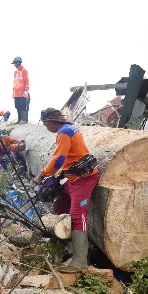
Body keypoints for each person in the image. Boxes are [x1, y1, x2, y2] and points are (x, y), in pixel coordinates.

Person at [33, 108, 99, 273]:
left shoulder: (63, 133)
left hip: (84, 180)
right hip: (73, 178)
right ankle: (66, 244)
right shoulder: (70, 129)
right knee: (60, 203)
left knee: (78, 214)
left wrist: (42, 175)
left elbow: (58, 159)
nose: (46, 127)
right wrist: (62, 173)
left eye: (45, 124)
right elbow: (74, 155)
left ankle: (80, 260)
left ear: (51, 121)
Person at [11, 56, 29, 124]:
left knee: (23, 106)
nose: (14, 65)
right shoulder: (15, 72)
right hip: (16, 92)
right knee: (17, 106)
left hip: (22, 91)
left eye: (15, 63)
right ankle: (19, 119)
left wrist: (26, 90)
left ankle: (23, 120)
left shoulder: (24, 70)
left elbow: (27, 80)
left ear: (19, 62)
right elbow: (15, 82)